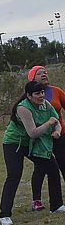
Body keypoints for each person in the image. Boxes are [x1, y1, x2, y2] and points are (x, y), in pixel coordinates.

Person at [0, 80, 65, 225]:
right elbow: (33, 133)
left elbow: (57, 121)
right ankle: (4, 214)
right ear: (29, 96)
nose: (41, 95)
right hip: (14, 143)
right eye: (37, 93)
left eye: (42, 92)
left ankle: (56, 205)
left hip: (31, 144)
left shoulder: (46, 105)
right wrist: (48, 123)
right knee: (14, 175)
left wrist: (57, 131)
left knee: (52, 167)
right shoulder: (23, 108)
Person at [27, 66, 65, 210]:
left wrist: (59, 129)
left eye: (45, 72)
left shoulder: (56, 91)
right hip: (41, 138)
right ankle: (36, 200)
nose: (44, 74)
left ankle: (57, 201)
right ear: (32, 78)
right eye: (40, 73)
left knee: (63, 163)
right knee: (41, 168)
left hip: (59, 134)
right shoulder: (29, 97)